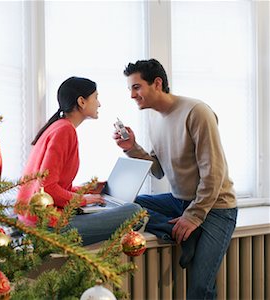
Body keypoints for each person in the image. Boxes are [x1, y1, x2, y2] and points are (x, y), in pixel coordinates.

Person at [114, 58, 237, 299]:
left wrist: (193, 216)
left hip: (216, 207)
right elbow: (159, 169)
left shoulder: (197, 112)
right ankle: (177, 234)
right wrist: (132, 147)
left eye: (136, 87)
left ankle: (187, 231)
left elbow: (214, 172)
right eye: (130, 89)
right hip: (179, 200)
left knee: (200, 288)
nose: (132, 95)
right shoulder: (153, 118)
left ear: (157, 83)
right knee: (131, 205)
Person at [16, 76, 142, 246]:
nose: (99, 104)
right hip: (46, 226)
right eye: (96, 97)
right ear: (82, 101)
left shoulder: (58, 127)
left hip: (35, 220)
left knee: (132, 208)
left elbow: (53, 185)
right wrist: (85, 200)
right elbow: (48, 189)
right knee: (135, 212)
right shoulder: (64, 131)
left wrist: (86, 189)